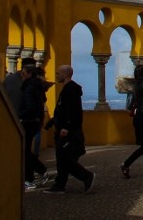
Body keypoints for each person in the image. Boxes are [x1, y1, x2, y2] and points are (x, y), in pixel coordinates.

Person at [42, 65, 96, 194]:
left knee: (65, 159)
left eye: (58, 73)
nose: (56, 75)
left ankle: (86, 176)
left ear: (66, 75)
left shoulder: (70, 90)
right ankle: (59, 185)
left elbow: (72, 111)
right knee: (62, 158)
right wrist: (53, 121)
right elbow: (63, 110)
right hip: (65, 129)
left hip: (69, 131)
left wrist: (66, 126)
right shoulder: (68, 89)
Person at [18, 58, 48, 191]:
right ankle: (38, 173)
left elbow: (29, 107)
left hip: (28, 122)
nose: (21, 75)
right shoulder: (36, 86)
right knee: (26, 151)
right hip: (35, 122)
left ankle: (30, 179)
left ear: (29, 73)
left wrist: (19, 114)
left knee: (25, 152)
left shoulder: (29, 88)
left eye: (23, 73)